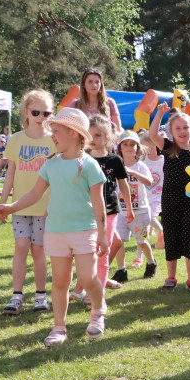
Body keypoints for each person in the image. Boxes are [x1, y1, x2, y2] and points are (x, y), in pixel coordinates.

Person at [0, 108, 108, 346]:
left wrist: (103, 235)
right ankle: (59, 327)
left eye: (56, 131)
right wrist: (10, 207)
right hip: (55, 231)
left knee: (88, 277)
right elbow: (35, 194)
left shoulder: (89, 165)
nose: (52, 136)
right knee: (59, 282)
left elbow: (99, 203)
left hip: (84, 230)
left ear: (75, 133)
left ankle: (98, 310)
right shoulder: (50, 164)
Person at [0, 90, 55, 314]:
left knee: (38, 249)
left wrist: (54, 205)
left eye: (46, 112)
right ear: (26, 113)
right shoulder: (16, 139)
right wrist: (3, 204)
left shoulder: (54, 140)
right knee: (21, 247)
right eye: (36, 112)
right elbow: (10, 174)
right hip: (19, 206)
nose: (41, 117)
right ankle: (16, 296)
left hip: (45, 207)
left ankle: (41, 296)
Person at [72, 116, 131, 300]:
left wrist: (129, 208)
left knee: (102, 252)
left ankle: (97, 294)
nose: (93, 139)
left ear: (107, 137)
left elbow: (123, 185)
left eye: (97, 135)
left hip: (110, 211)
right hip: (86, 212)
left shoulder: (115, 160)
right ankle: (82, 287)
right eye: (89, 134)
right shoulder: (82, 159)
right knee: (86, 252)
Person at [148, 104, 190, 292]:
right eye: (178, 128)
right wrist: (160, 114)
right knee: (171, 237)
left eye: (186, 127)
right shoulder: (167, 147)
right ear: (171, 131)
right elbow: (153, 132)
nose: (182, 131)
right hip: (170, 199)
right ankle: (171, 277)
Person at [111, 131, 157, 283]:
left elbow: (150, 182)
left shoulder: (140, 165)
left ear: (137, 148)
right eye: (125, 144)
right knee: (118, 242)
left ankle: (151, 263)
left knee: (141, 242)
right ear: (120, 147)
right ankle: (121, 270)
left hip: (140, 212)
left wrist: (131, 172)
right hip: (121, 212)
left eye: (132, 144)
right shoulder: (116, 164)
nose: (129, 147)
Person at [140, 132, 165, 251]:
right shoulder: (142, 159)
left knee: (150, 217)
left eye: (152, 147)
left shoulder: (164, 160)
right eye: (146, 148)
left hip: (158, 197)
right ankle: (140, 252)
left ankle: (161, 232)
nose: (150, 150)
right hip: (143, 196)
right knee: (142, 222)